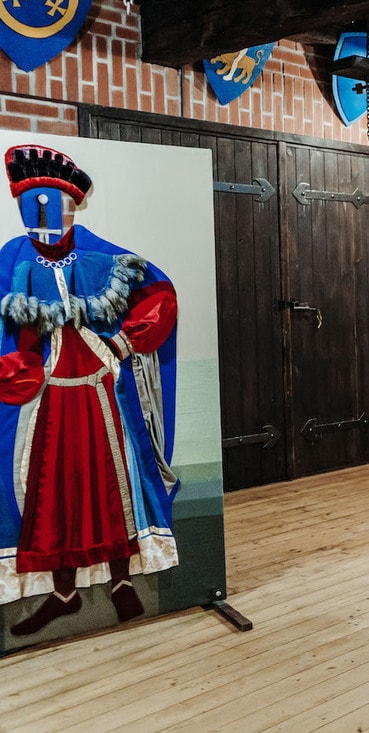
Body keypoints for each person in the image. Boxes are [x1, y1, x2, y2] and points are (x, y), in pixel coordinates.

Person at [0, 145, 180, 636]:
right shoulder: (14, 259)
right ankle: (64, 593)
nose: (43, 216)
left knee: (111, 483)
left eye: (52, 203)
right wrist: (18, 368)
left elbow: (160, 295)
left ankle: (121, 581)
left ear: (70, 205)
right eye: (33, 204)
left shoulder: (100, 254)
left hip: (101, 391)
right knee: (52, 490)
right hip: (49, 397)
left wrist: (124, 342)